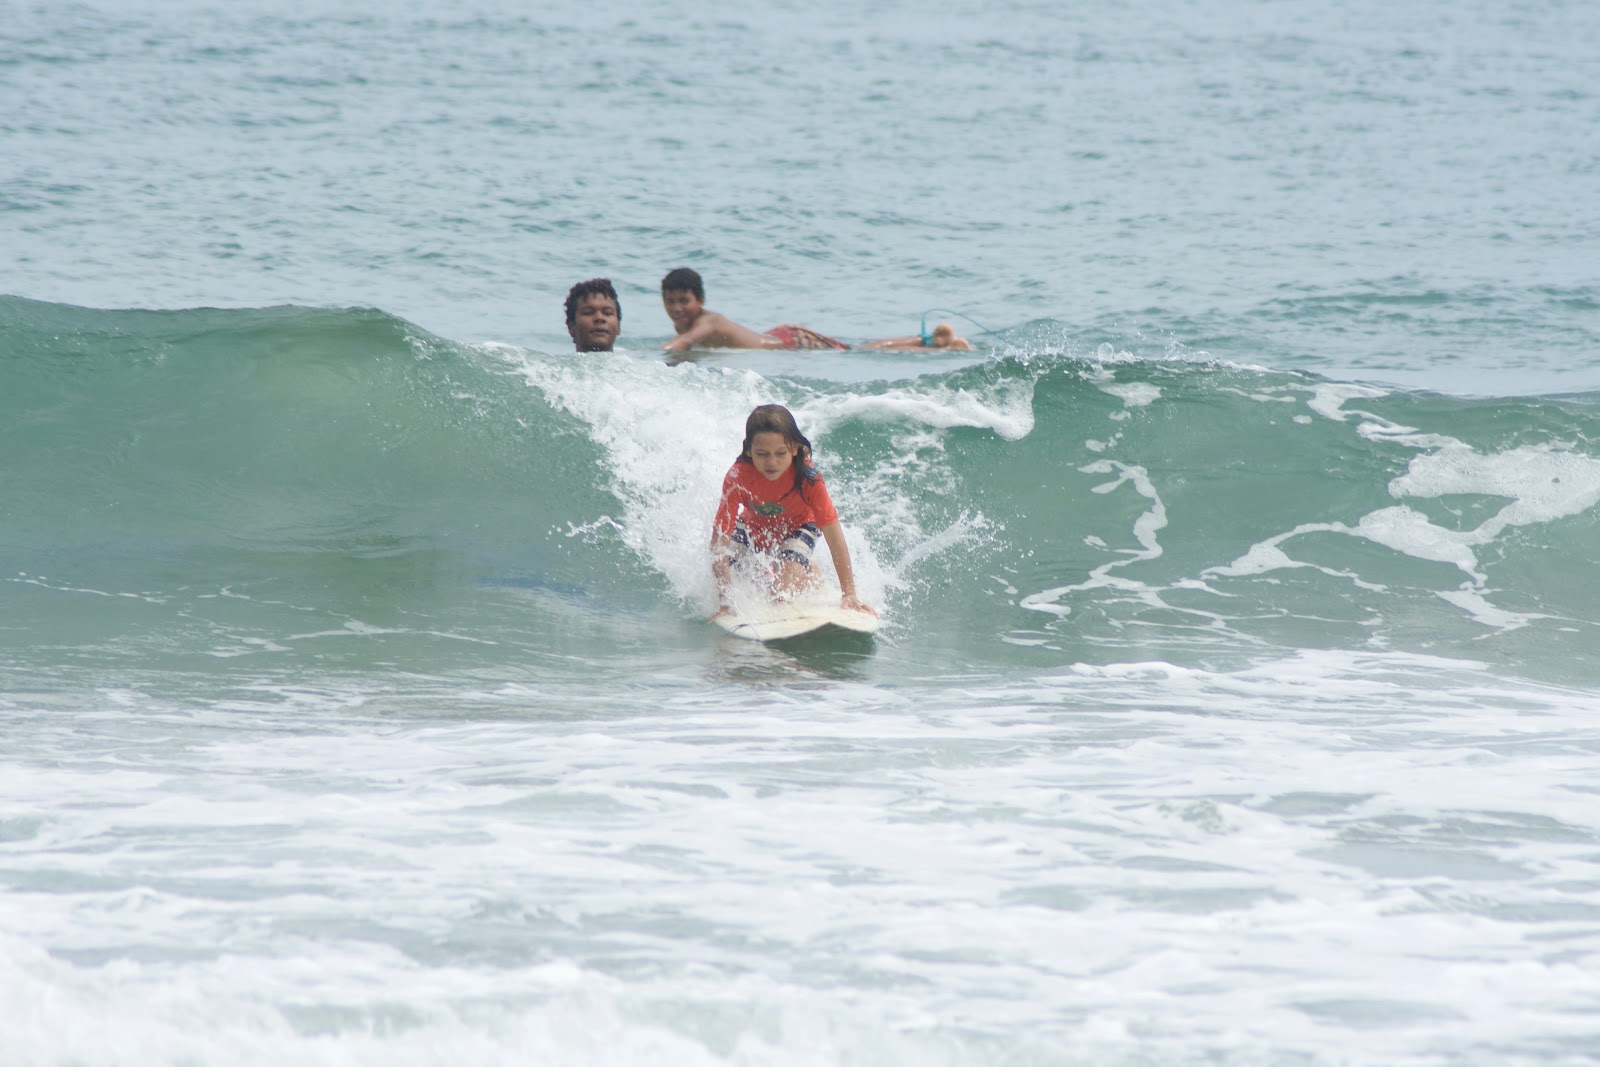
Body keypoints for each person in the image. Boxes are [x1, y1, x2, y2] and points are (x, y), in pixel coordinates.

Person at [709, 404, 876, 619]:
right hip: (752, 527)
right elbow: (719, 543)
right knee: (736, 577)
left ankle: (804, 569)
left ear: (795, 448)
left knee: (781, 594)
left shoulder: (808, 477)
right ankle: (789, 566)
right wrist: (725, 601)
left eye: (781, 453)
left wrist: (849, 594)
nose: (772, 462)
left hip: (799, 526)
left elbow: (834, 536)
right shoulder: (737, 477)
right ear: (749, 450)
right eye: (762, 454)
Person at [661, 268, 848, 352]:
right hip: (774, 336)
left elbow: (687, 340)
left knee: (851, 349)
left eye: (684, 301)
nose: (676, 308)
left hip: (790, 341)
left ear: (700, 300)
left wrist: (651, 356)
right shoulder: (685, 324)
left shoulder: (708, 321)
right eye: (670, 301)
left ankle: (878, 344)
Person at [565, 278, 621, 352]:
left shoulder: (632, 362)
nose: (599, 318)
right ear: (571, 327)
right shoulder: (551, 363)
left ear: (618, 326)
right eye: (588, 312)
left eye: (608, 313)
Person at [863, 321, 974, 351]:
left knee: (887, 345)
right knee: (887, 346)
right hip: (937, 345)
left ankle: (857, 348)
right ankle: (857, 348)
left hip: (934, 344)